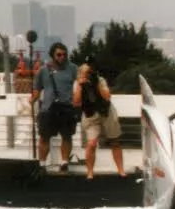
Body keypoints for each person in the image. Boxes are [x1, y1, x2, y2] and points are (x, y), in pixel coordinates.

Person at [29, 43, 79, 174]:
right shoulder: (43, 70)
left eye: (64, 54)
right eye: (59, 54)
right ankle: (42, 165)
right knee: (44, 137)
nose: (62, 57)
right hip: (48, 109)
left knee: (67, 136)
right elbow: (37, 89)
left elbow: (81, 83)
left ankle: (64, 163)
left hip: (67, 107)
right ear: (53, 55)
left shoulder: (73, 68)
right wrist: (32, 100)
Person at [72, 62, 126, 179]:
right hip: (90, 113)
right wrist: (81, 86)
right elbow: (76, 102)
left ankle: (121, 170)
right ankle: (90, 172)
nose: (87, 75)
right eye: (85, 73)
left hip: (106, 112)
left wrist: (96, 84)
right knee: (91, 144)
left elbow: (107, 96)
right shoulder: (77, 83)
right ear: (80, 74)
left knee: (115, 141)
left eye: (89, 72)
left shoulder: (100, 80)